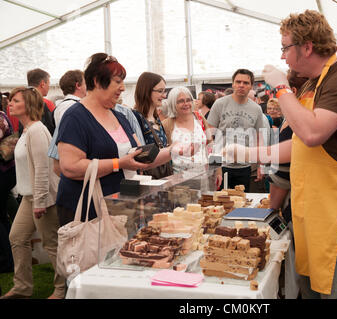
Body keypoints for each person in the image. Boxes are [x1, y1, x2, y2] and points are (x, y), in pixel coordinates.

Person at [262, 10, 337, 299]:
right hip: (312, 207)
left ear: (307, 47)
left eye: (285, 48)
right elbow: (301, 142)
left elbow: (313, 133)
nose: (283, 57)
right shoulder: (314, 83)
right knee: (311, 290)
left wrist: (281, 88)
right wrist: (252, 152)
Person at [56, 54, 176, 227]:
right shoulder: (75, 117)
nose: (122, 88)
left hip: (122, 209)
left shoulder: (119, 116)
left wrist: (175, 150)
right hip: (91, 213)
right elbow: (69, 167)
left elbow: (139, 157)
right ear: (97, 81)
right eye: (117, 81)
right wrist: (118, 163)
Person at [0, 87, 64, 299]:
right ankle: (23, 287)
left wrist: (40, 201)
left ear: (27, 105)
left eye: (15, 101)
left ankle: (62, 288)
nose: (10, 104)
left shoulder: (36, 130)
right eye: (10, 101)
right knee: (17, 237)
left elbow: (43, 169)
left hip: (42, 197)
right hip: (30, 196)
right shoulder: (28, 130)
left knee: (51, 243)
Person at [207, 69, 270, 192]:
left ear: (251, 86)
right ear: (233, 84)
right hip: (222, 166)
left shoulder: (256, 109)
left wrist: (261, 165)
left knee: (241, 205)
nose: (241, 85)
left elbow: (259, 139)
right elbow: (210, 138)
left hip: (244, 167)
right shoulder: (220, 104)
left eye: (246, 83)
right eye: (238, 82)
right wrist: (214, 166)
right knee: (221, 205)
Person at [162, 87, 222, 188]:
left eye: (188, 100)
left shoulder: (199, 118)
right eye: (181, 101)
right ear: (173, 104)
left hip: (203, 178)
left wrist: (218, 170)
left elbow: (211, 145)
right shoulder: (166, 125)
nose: (186, 104)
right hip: (179, 183)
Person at [131, 72, 175, 179]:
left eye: (164, 91)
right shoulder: (136, 117)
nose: (164, 96)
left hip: (163, 176)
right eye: (160, 91)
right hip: (149, 179)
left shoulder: (156, 118)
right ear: (146, 91)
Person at [0, 110, 15, 273]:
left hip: (3, 172)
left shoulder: (0, 118)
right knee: (2, 216)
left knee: (1, 217)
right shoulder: (2, 115)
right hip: (7, 172)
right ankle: (9, 258)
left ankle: (7, 259)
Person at [26, 68, 56, 135]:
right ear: (42, 84)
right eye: (48, 83)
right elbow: (51, 129)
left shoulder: (15, 103)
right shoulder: (46, 104)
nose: (49, 87)